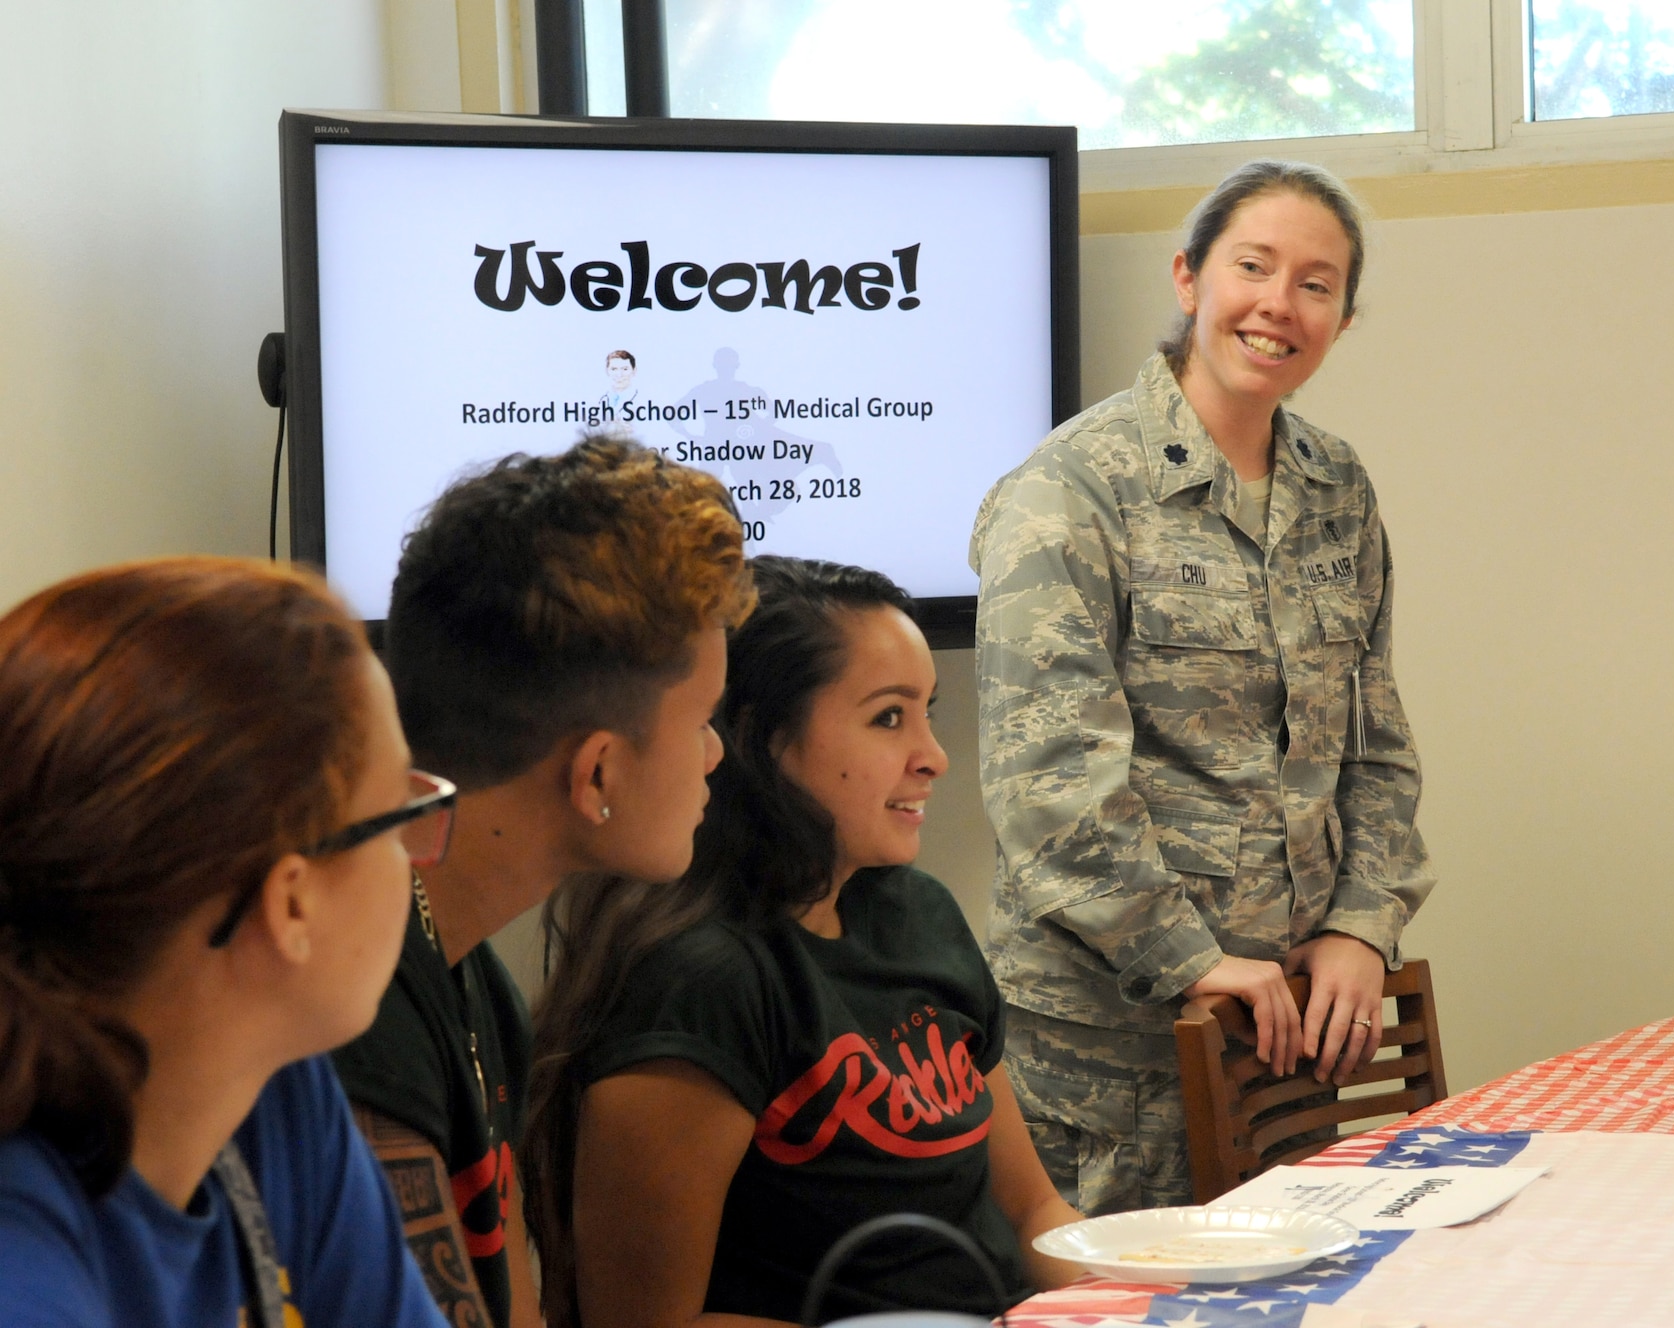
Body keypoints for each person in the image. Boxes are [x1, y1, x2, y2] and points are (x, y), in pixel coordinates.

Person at [971, 159, 1438, 1215]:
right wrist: (1187, 956)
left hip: (1287, 1027)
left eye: (1315, 284)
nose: (1278, 304)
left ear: (1341, 318)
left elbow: (1374, 739)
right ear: (1188, 279)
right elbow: (1046, 779)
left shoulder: (1334, 485)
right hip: (1111, 1046)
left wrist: (1363, 923)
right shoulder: (1073, 485)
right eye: (1252, 266)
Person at [523, 557, 1082, 1328]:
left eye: (928, 711)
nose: (934, 756)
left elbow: (1031, 1209)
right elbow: (644, 1323)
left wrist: (1153, 1288)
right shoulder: (699, 978)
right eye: (889, 717)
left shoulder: (921, 914)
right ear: (762, 739)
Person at [331, 437, 754, 1328]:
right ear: (596, 774)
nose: (717, 754)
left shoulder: (471, 978)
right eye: (703, 720)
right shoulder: (351, 1009)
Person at [0, 557, 448, 1327]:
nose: (417, 855)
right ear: (292, 902)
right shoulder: (22, 1265)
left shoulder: (269, 1092)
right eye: (400, 815)